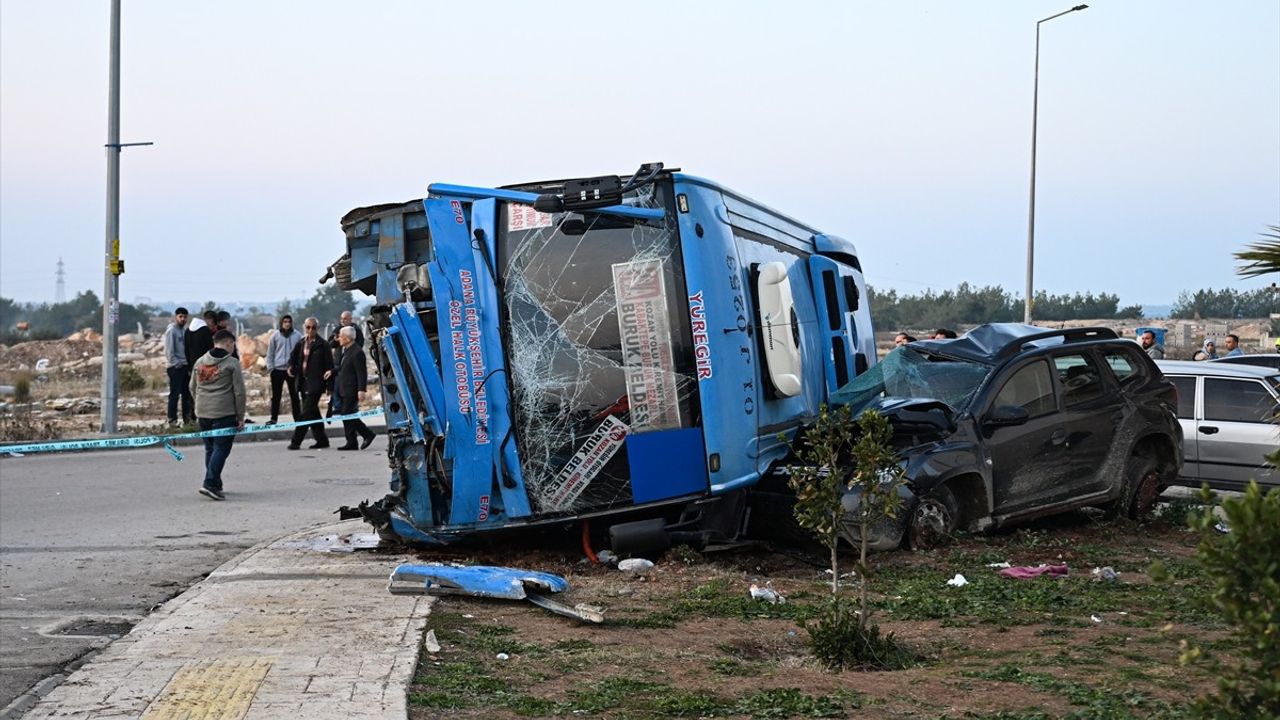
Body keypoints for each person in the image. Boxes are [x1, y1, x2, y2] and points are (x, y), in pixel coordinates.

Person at [189, 330, 245, 501]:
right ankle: (210, 483)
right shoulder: (232, 363)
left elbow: (192, 387)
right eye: (233, 344)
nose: (233, 347)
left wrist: (200, 404)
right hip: (224, 412)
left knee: (210, 449)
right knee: (221, 448)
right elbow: (239, 392)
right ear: (228, 343)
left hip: (203, 413)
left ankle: (216, 483)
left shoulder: (200, 362)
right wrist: (240, 415)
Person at [288, 317, 333, 450]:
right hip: (303, 383)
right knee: (313, 412)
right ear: (304, 328)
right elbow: (293, 358)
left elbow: (329, 365)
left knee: (306, 413)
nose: (310, 330)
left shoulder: (323, 344)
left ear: (317, 328)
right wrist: (291, 367)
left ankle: (296, 441)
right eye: (308, 327)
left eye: (313, 327)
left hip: (316, 384)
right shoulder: (301, 343)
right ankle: (322, 439)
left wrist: (329, 386)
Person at [335, 326, 377, 451]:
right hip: (344, 388)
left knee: (347, 414)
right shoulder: (346, 351)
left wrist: (361, 390)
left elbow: (361, 373)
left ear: (347, 338)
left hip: (352, 389)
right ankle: (351, 441)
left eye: (341, 336)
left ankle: (367, 434)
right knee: (346, 415)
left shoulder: (357, 352)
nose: (339, 339)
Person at [265, 314, 302, 425]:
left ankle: (297, 418)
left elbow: (300, 353)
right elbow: (270, 352)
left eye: (289, 322)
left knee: (294, 395)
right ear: (281, 323)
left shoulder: (297, 335)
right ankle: (273, 418)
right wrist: (271, 368)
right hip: (277, 369)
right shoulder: (275, 336)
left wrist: (297, 368)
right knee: (276, 396)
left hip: (291, 370)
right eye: (285, 321)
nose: (287, 324)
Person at [326, 310, 364, 418]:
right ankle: (337, 406)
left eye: (345, 319)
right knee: (337, 385)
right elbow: (331, 343)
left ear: (350, 319)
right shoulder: (337, 330)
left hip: (350, 362)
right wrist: (338, 340)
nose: (343, 321)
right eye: (341, 319)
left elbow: (360, 344)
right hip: (339, 362)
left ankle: (351, 407)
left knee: (349, 387)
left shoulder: (356, 330)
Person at [163, 307, 194, 427]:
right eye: (180, 316)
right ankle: (172, 420)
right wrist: (177, 364)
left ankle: (187, 419)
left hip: (185, 366)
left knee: (187, 394)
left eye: (185, 317)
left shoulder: (185, 331)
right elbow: (169, 351)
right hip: (175, 367)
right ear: (176, 317)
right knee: (174, 394)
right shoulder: (172, 331)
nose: (183, 319)